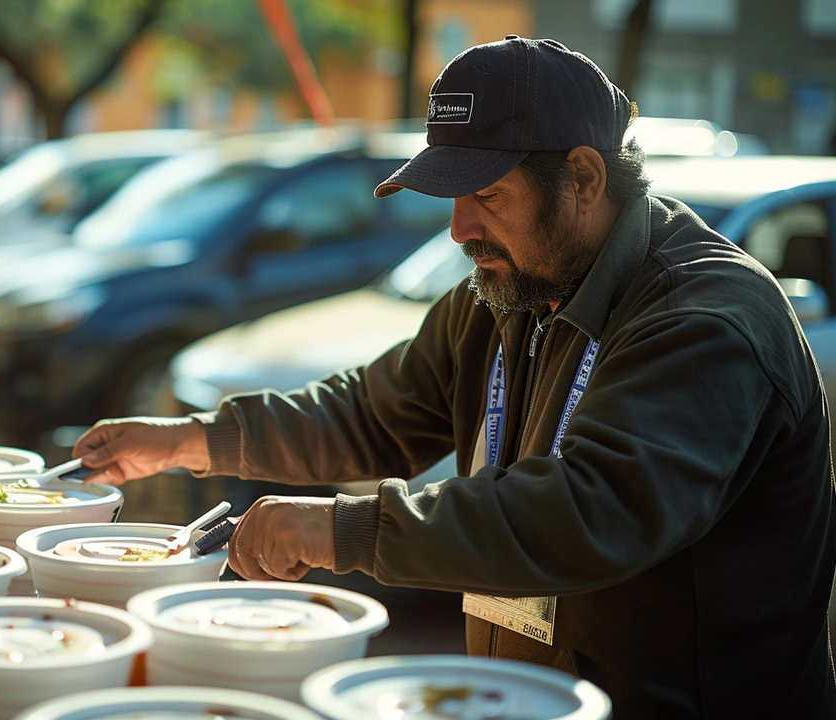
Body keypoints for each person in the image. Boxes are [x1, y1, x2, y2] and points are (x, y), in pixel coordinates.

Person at [72, 36, 836, 717]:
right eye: (451, 196)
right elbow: (370, 414)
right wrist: (191, 441)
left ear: (583, 177)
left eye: (487, 195)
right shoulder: (514, 284)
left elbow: (589, 512)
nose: (460, 229)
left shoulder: (706, 318)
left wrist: (340, 529)